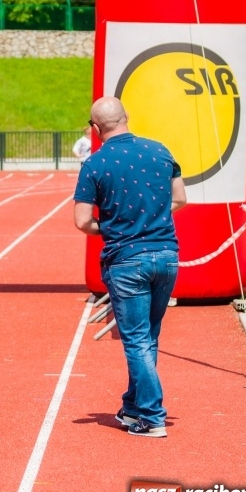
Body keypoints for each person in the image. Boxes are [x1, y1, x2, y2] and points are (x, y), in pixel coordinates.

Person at [73, 96, 187, 438]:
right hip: (166, 255)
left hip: (126, 259)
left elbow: (82, 221)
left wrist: (114, 227)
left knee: (136, 341)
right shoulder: (161, 151)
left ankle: (152, 417)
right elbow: (180, 199)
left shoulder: (94, 164)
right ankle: (133, 406)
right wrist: (150, 221)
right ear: (127, 117)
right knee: (148, 336)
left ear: (95, 129)